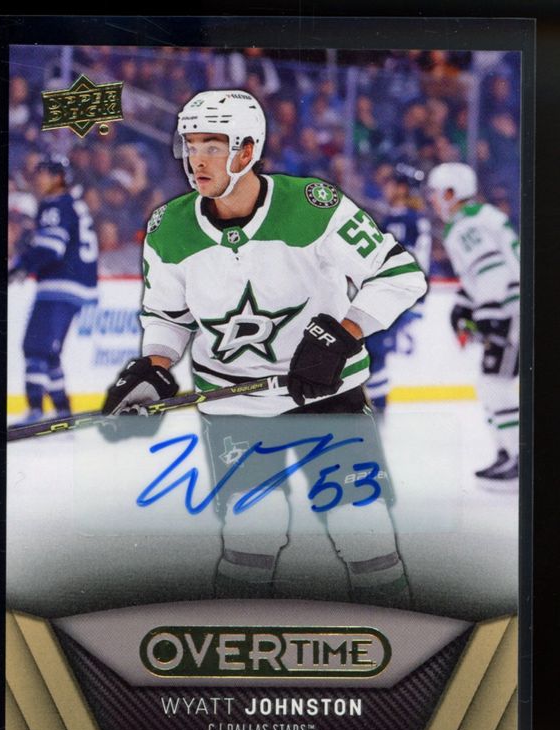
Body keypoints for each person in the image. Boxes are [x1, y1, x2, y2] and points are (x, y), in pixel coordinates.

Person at [102, 90, 427, 604]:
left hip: (326, 393)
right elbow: (167, 316)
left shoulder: (313, 207)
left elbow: (400, 274)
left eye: (213, 146)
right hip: (233, 404)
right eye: (191, 145)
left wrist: (345, 333)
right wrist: (155, 366)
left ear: (248, 151)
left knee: (364, 531)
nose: (197, 160)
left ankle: (404, 637)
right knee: (251, 538)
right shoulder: (168, 229)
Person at [427, 162, 519, 489]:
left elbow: (491, 269)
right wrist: (464, 304)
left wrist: (490, 313)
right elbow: (480, 273)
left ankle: (519, 457)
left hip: (511, 310)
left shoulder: (466, 224)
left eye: (437, 193)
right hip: (511, 306)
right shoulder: (476, 218)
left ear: (452, 192)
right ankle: (509, 452)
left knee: (495, 385)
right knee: (491, 385)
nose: (433, 199)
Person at [9, 155, 98, 423]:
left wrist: (19, 267)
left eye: (43, 173)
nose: (37, 178)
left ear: (58, 177)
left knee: (34, 347)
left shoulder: (55, 204)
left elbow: (51, 248)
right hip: (78, 286)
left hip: (59, 285)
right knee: (48, 352)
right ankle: (63, 411)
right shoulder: (73, 203)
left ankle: (35, 410)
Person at [365, 175, 432, 412]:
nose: (386, 187)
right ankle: (377, 403)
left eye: (391, 183)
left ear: (402, 188)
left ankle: (377, 406)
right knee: (372, 348)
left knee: (372, 347)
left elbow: (397, 260)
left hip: (402, 294)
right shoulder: (407, 218)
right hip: (404, 293)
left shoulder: (404, 219)